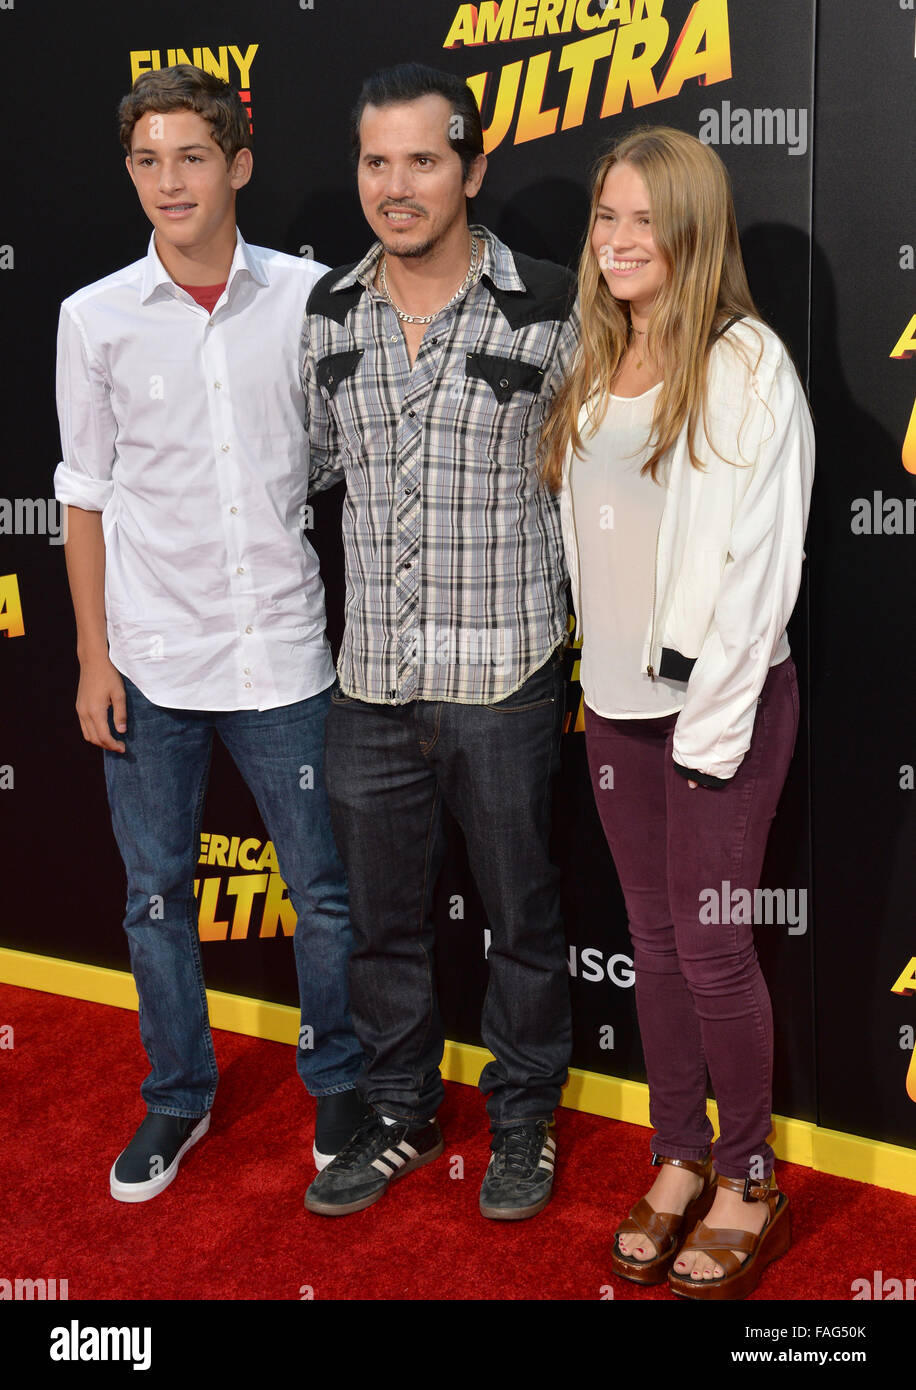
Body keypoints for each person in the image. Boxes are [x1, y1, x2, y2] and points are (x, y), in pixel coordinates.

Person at [54, 64, 365, 1202]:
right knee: (155, 898)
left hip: (283, 650)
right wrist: (92, 655)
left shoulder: (313, 297)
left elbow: (351, 458)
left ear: (237, 164)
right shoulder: (91, 318)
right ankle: (177, 1098)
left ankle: (337, 1077)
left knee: (324, 891)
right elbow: (82, 494)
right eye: (147, 160)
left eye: (192, 156)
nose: (168, 181)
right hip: (149, 656)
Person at [301, 63, 578, 1222]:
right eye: (377, 161)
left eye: (423, 160)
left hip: (505, 678)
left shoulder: (557, 308)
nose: (397, 185)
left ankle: (523, 1124)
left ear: (470, 169)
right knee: (383, 928)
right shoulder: (329, 314)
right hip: (367, 684)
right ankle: (402, 1112)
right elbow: (312, 470)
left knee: (523, 922)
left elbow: (598, 485)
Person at [541, 126, 814, 1298]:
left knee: (708, 948)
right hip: (612, 712)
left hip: (720, 711)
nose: (618, 240)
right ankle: (678, 1154)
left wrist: (707, 729)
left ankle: (748, 1173)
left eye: (645, 219)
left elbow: (760, 572)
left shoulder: (748, 364)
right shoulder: (594, 357)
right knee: (652, 943)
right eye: (607, 217)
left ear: (693, 230)